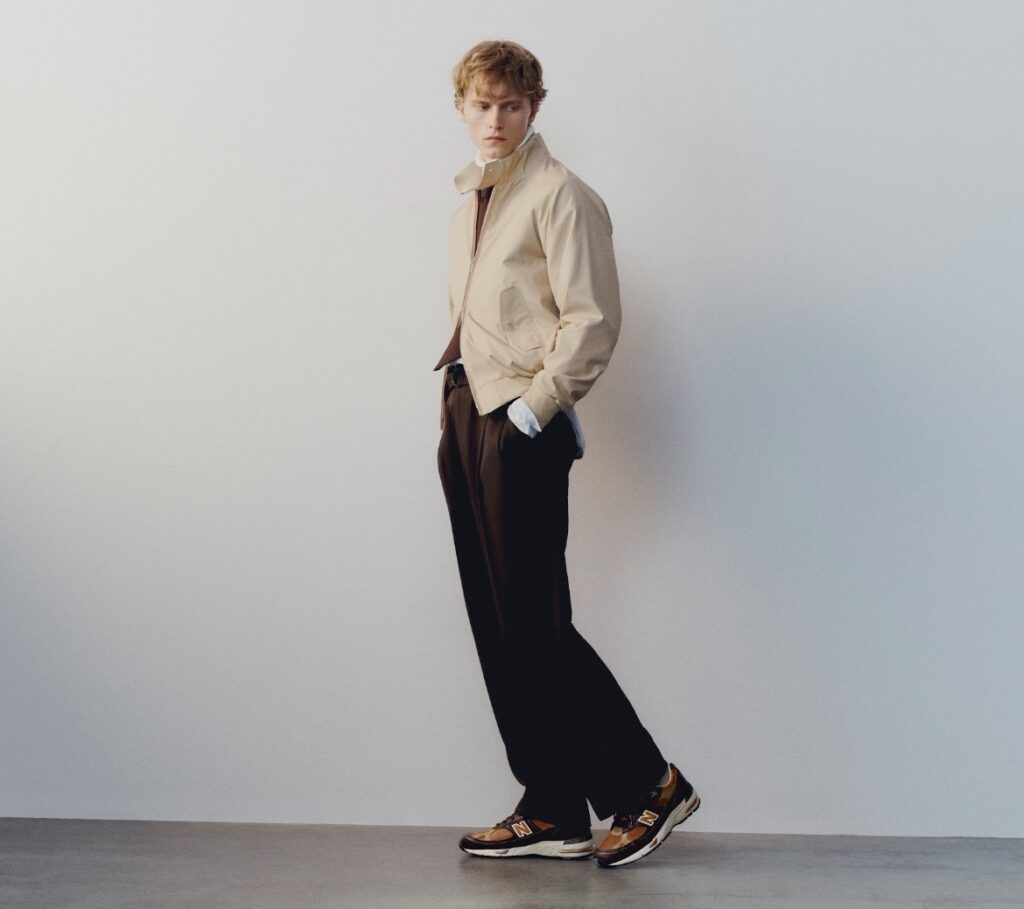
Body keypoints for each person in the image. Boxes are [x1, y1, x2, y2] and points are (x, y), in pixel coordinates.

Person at [434, 39, 700, 869]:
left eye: (511, 105)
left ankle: (650, 783)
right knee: (500, 624)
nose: (495, 119)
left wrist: (531, 413)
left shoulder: (561, 195)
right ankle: (552, 802)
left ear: (534, 108)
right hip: (465, 413)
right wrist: (462, 413)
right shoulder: (470, 205)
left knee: (538, 623)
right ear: (462, 108)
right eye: (482, 105)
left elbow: (591, 321)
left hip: (520, 425)